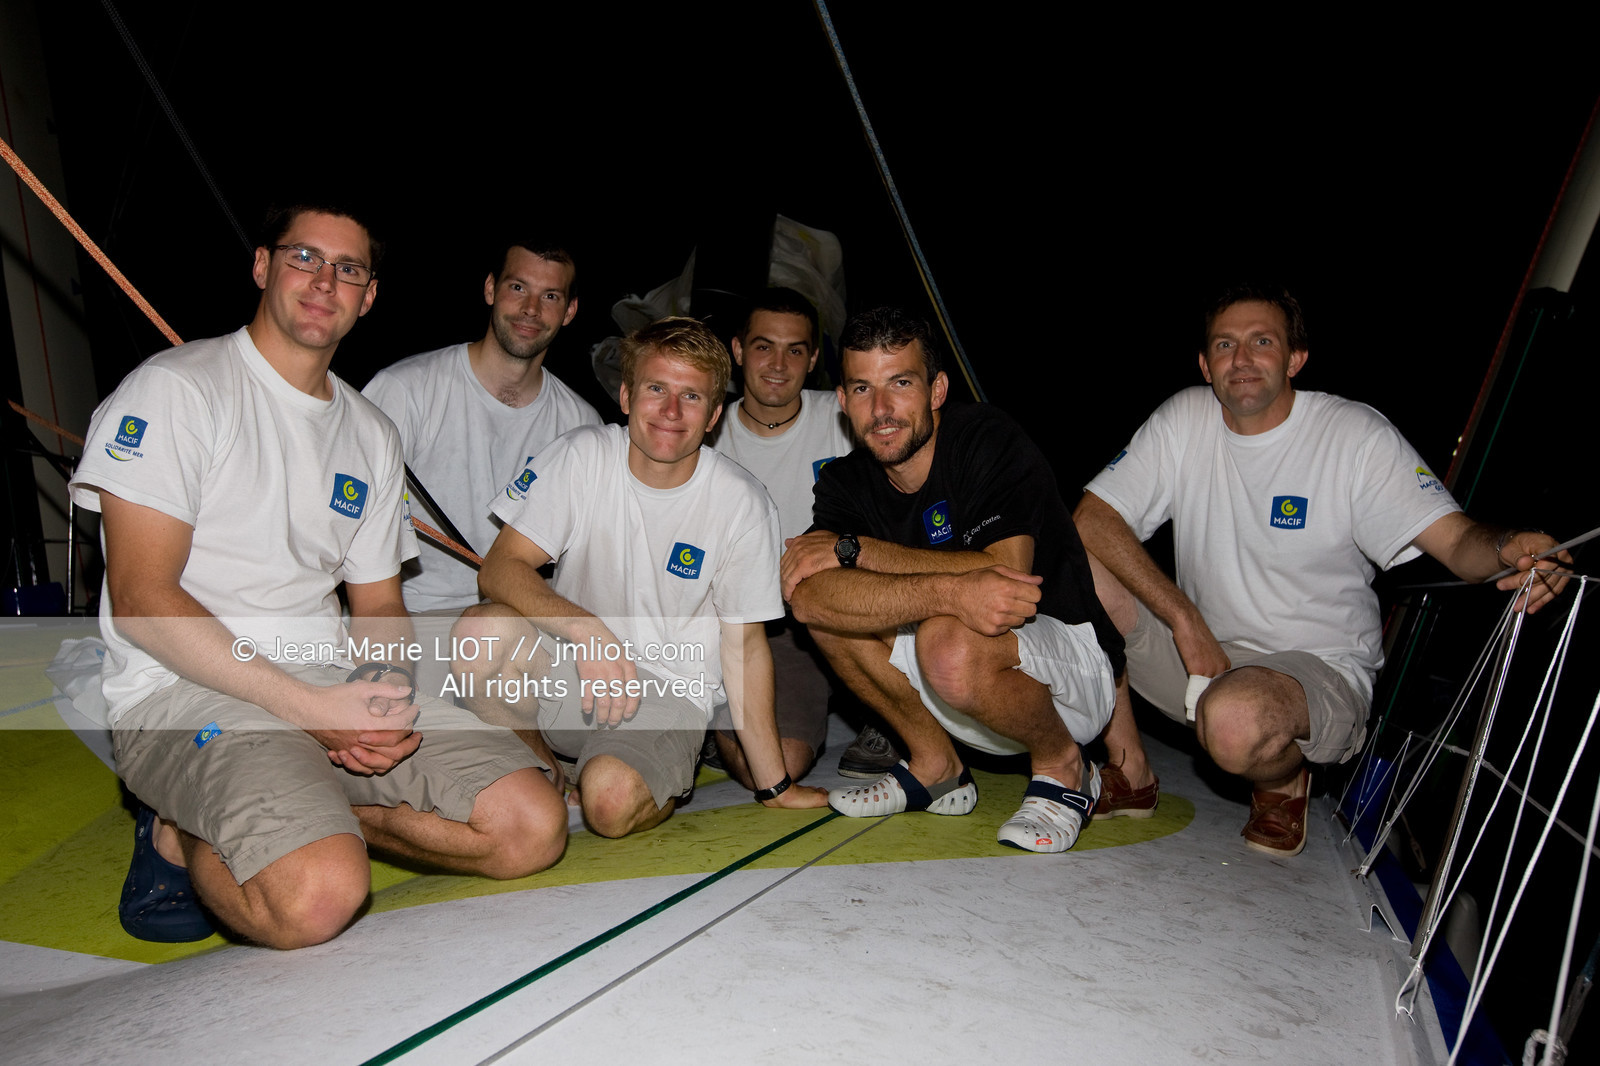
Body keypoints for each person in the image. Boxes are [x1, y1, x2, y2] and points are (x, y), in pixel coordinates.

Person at [69, 202, 566, 949]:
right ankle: (181, 826)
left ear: (369, 297)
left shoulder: (370, 433)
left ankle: (303, 808)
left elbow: (379, 603)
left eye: (348, 268)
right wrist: (307, 707)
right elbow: (143, 598)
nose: (324, 281)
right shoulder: (176, 390)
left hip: (324, 680)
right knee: (318, 897)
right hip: (185, 688)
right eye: (304, 257)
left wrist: (382, 696)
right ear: (262, 266)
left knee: (532, 826)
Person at [1075, 282, 1572, 857]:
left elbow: (1458, 542)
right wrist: (1183, 618)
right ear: (1206, 366)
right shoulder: (1184, 419)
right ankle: (1130, 768)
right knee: (1074, 562)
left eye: (1262, 341)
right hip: (1203, 657)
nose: (1242, 358)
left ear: (1295, 359)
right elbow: (1091, 519)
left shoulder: (1354, 436)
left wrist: (1509, 545)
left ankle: (1284, 778)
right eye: (1225, 344)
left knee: (1234, 721)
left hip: (1316, 670)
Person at [457, 317, 828, 837]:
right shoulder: (582, 455)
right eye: (656, 389)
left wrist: (775, 786)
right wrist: (587, 631)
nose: (671, 411)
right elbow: (500, 567)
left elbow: (744, 649)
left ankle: (632, 772)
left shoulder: (742, 503)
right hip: (572, 666)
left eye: (691, 396)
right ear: (627, 396)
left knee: (609, 803)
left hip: (667, 692)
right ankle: (542, 770)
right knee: (482, 630)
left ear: (714, 415)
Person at [783, 307, 1125, 853]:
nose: (882, 409)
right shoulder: (845, 480)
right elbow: (808, 595)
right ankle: (936, 767)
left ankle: (1065, 766)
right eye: (863, 388)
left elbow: (1009, 578)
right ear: (843, 401)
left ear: (937, 389)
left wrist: (860, 552)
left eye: (901, 383)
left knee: (946, 640)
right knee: (832, 615)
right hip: (951, 683)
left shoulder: (985, 438)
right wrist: (951, 589)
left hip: (1068, 675)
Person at [361, 237, 600, 624]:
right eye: (518, 287)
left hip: (519, 620)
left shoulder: (582, 425)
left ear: (569, 311)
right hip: (412, 612)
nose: (531, 309)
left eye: (550, 296)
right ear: (490, 289)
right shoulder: (405, 389)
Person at [709, 287, 854, 787]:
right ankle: (712, 718)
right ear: (737, 350)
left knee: (778, 766)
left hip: (813, 622)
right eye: (763, 346)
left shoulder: (845, 419)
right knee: (766, 765)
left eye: (795, 350)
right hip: (724, 623)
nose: (778, 364)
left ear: (813, 359)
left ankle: (884, 718)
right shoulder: (702, 428)